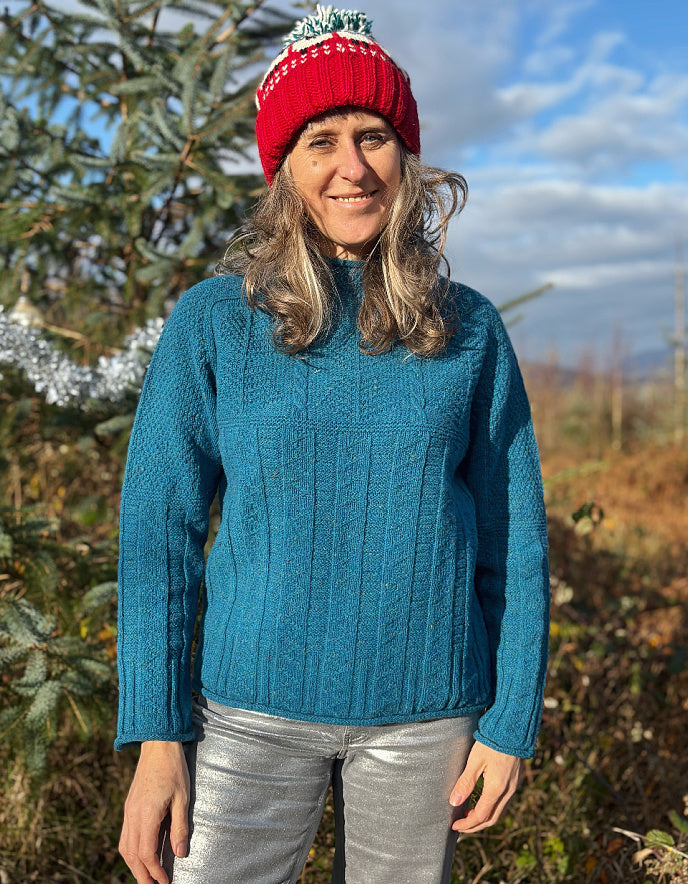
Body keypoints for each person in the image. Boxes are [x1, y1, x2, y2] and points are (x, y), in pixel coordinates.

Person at [116, 7, 550, 884]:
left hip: (427, 723)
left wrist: (510, 726)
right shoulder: (214, 323)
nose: (352, 168)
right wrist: (159, 735)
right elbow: (157, 536)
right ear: (284, 170)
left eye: (374, 136)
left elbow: (518, 542)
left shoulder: (469, 331)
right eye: (321, 140)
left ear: (408, 157)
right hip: (246, 718)